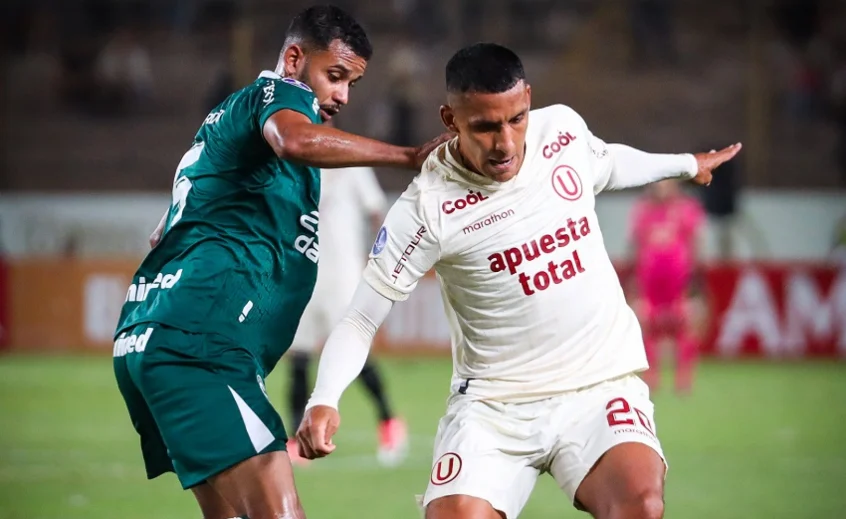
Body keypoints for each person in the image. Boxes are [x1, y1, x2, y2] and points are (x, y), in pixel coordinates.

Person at [296, 43, 741, 519]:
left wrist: (686, 165)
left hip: (597, 386)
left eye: (516, 119)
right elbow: (363, 317)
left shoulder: (562, 131)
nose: (505, 143)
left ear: (529, 98)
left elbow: (608, 162)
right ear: (450, 119)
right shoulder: (427, 206)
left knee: (641, 504)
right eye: (484, 127)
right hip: (493, 405)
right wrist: (323, 398)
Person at [111, 6, 446, 519]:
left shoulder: (223, 127)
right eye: (335, 76)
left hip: (156, 337)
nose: (342, 96)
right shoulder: (279, 98)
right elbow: (293, 140)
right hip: (204, 347)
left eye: (352, 83)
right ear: (293, 58)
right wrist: (409, 156)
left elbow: (167, 230)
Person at [286, 128, 408, 467]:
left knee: (354, 354)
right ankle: (295, 439)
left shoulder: (350, 162)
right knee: (298, 357)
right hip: (305, 276)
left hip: (343, 275)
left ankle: (389, 421)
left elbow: (375, 209)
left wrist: (381, 257)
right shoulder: (295, 163)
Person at [629, 180, 705, 393]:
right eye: (659, 184)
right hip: (649, 282)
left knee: (684, 322)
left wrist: (696, 278)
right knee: (646, 322)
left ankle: (684, 377)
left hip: (678, 281)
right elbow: (636, 245)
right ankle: (652, 375)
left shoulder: (687, 208)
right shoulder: (642, 209)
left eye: (667, 184)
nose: (662, 188)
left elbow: (695, 243)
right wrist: (634, 278)